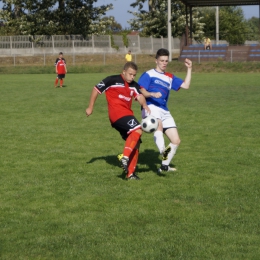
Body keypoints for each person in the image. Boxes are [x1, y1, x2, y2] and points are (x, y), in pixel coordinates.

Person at [86, 62, 150, 180]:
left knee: (136, 143)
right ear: (124, 72)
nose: (132, 77)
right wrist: (90, 107)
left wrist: (144, 105)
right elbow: (96, 89)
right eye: (130, 74)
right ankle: (124, 157)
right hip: (117, 114)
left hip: (127, 114)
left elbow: (140, 96)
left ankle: (130, 174)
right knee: (138, 129)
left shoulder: (134, 85)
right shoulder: (112, 80)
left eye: (134, 75)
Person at [138, 48, 192, 173]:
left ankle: (164, 166)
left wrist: (189, 69)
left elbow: (186, 85)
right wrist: (151, 94)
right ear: (156, 60)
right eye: (162, 60)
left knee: (176, 141)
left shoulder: (169, 77)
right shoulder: (148, 74)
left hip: (164, 110)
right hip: (150, 106)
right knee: (159, 126)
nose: (164, 63)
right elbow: (141, 91)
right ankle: (163, 150)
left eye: (166, 61)